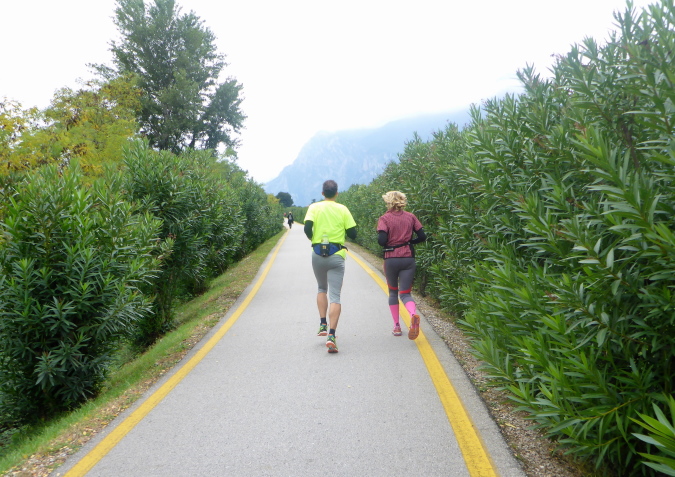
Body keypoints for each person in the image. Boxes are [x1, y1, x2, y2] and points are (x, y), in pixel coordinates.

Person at [304, 180, 357, 353]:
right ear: (336, 193)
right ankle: (332, 336)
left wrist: (314, 239)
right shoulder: (343, 209)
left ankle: (322, 324)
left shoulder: (314, 207)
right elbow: (353, 233)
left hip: (317, 253)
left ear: (322, 193)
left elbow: (307, 228)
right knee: (335, 296)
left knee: (321, 288)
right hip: (337, 255)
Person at [377, 191, 427, 339]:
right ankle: (412, 315)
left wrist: (391, 240)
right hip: (408, 258)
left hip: (391, 259)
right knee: (405, 293)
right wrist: (409, 242)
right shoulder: (411, 217)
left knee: (393, 293)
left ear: (388, 202)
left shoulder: (384, 219)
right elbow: (422, 236)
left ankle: (397, 326)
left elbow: (381, 241)